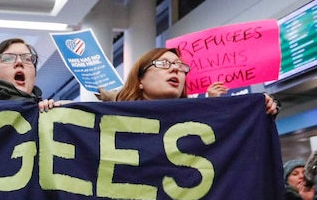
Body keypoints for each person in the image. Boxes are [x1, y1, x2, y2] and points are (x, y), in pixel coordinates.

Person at [113, 47, 279, 114]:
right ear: (140, 80)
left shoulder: (196, 119)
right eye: (164, 64)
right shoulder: (113, 119)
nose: (175, 69)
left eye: (180, 66)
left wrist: (259, 107)